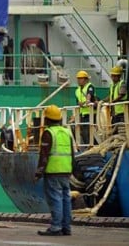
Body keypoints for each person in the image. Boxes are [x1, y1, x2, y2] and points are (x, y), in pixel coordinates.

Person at [35, 105, 74, 236]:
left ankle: (56, 227)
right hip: (66, 170)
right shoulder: (67, 132)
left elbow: (44, 155)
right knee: (66, 199)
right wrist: (71, 169)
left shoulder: (48, 133)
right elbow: (72, 153)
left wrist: (38, 172)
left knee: (55, 199)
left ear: (47, 119)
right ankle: (66, 227)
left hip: (53, 172)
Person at [74, 70, 96, 146]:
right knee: (83, 132)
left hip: (91, 114)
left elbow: (89, 95)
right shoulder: (77, 91)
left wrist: (87, 100)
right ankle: (87, 146)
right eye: (78, 79)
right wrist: (79, 104)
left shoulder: (90, 87)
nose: (79, 80)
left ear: (86, 79)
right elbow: (77, 102)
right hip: (82, 114)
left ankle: (93, 146)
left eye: (81, 78)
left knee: (90, 132)